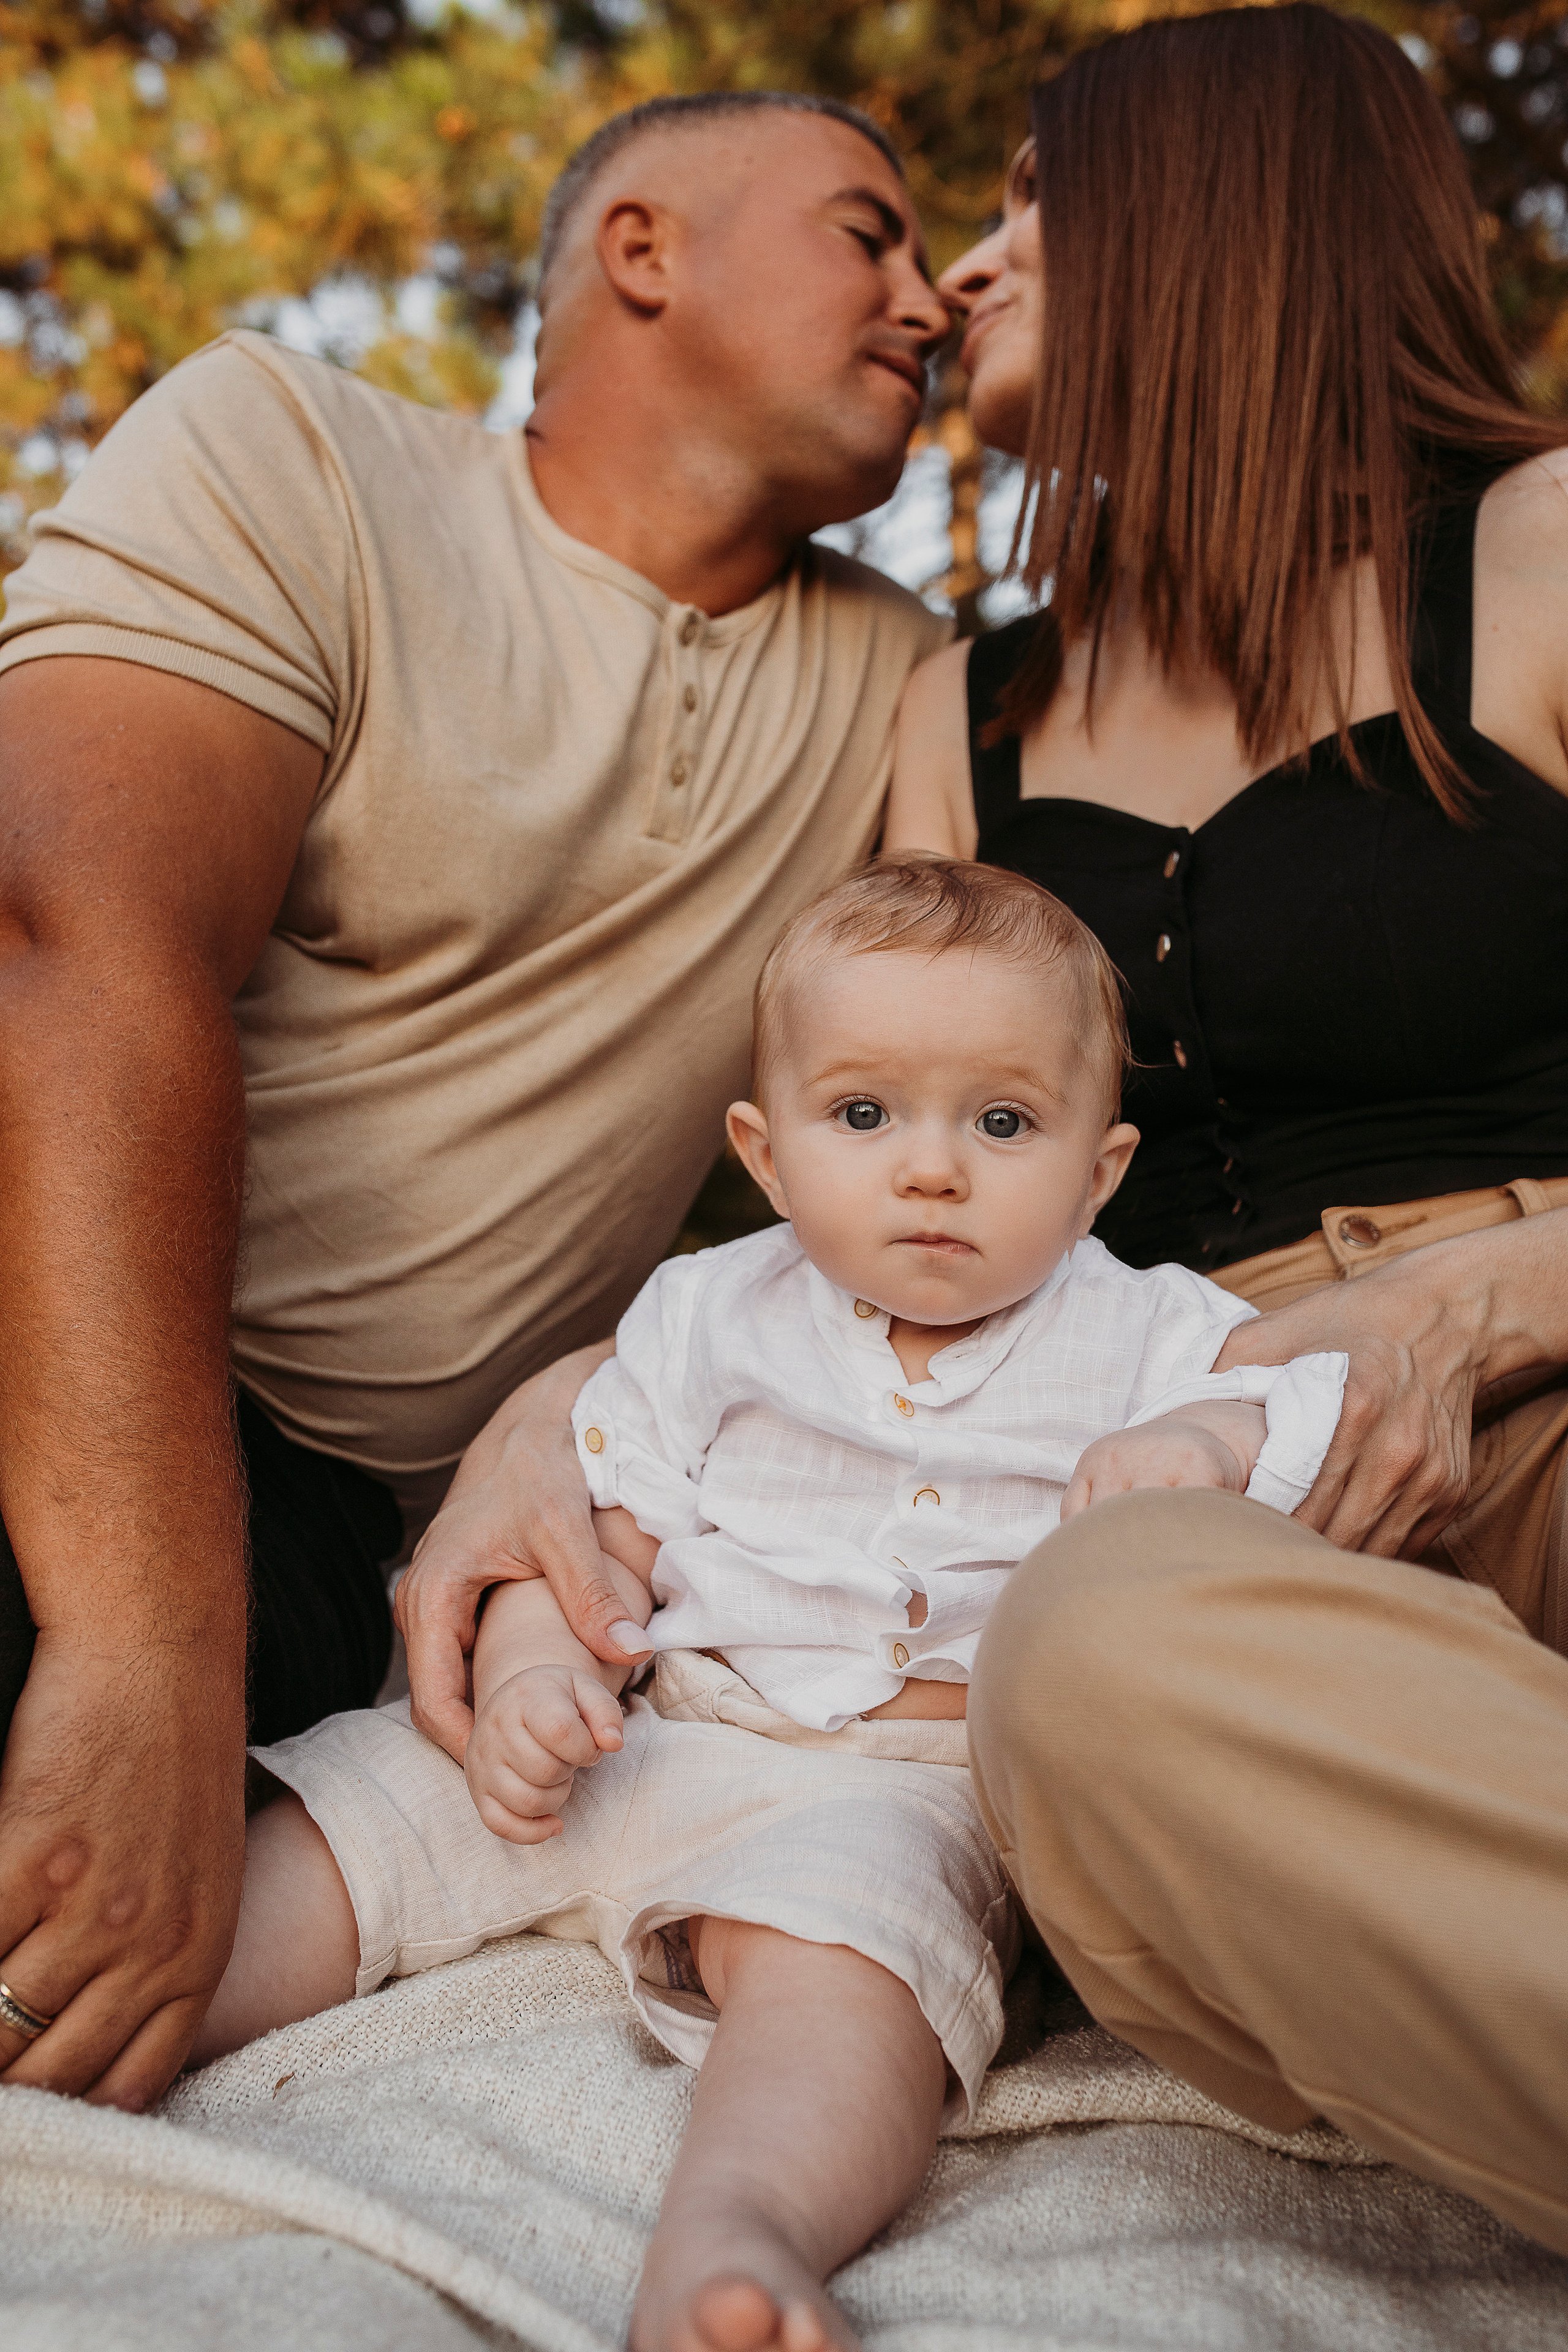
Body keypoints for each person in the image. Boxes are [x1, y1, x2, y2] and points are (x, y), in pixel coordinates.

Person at [0, 91, 952, 2106]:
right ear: (641, 251)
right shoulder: (299, 457)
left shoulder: (910, 695)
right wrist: (141, 1652)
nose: (933, 297)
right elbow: (71, 944)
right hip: (65, 1366)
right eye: (872, 234)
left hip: (349, 1538)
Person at [188, 859, 1344, 2352]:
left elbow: (1309, 1409)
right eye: (863, 1116)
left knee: (854, 1970)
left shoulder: (1154, 1330)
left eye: (1001, 1123)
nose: (931, 1169)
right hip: (651, 1723)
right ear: (768, 1148)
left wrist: (1205, 1444)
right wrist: (544, 1667)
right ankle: (113, 2015)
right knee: (368, 1817)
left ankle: (740, 2236)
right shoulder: (704, 1312)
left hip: (897, 1791)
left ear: (1099, 1169)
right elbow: (603, 1529)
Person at [875, 6, 1568, 2258]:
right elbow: (880, 1206)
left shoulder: (1550, 551)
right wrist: (571, 1417)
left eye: (1028, 212)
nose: (966, 277)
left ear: (1217, 224)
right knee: (1089, 1657)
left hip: (1545, 1367)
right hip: (1196, 1517)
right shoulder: (954, 714)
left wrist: (1462, 1301)